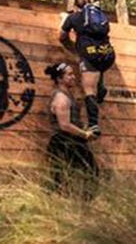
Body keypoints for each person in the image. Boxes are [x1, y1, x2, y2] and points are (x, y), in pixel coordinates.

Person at [58, 0, 115, 137]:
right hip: (108, 55)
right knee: (97, 73)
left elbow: (62, 36)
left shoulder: (74, 17)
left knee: (89, 89)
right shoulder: (100, 16)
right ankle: (100, 89)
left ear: (76, 7)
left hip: (90, 55)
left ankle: (94, 124)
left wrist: (65, 21)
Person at [44, 62, 99, 197]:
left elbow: (71, 121)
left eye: (73, 74)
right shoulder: (61, 97)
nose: (74, 77)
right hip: (64, 142)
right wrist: (85, 134)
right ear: (59, 79)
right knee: (63, 178)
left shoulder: (67, 96)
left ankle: (81, 204)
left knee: (89, 172)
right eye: (69, 74)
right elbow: (65, 125)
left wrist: (84, 128)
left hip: (72, 141)